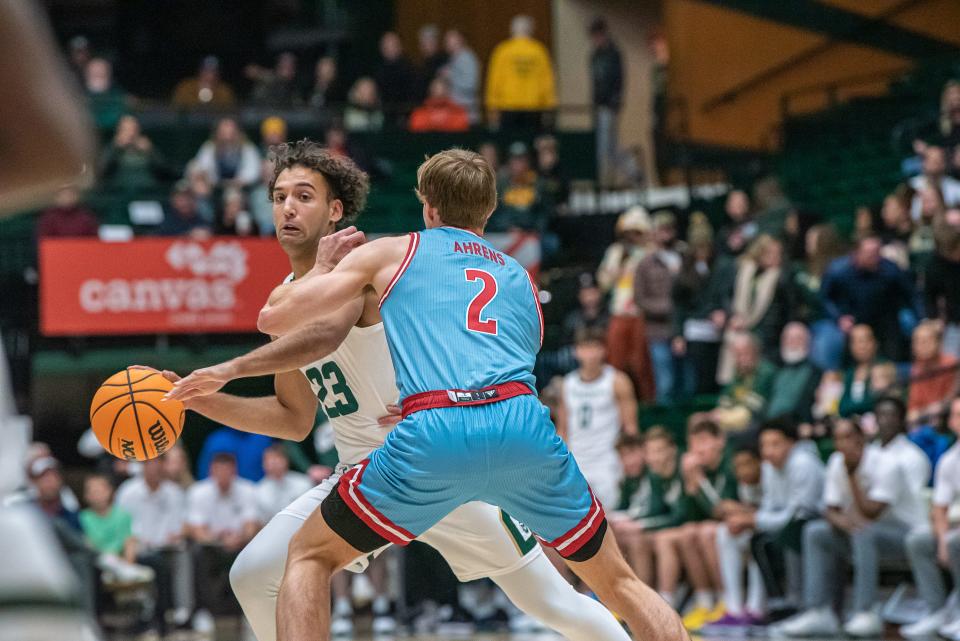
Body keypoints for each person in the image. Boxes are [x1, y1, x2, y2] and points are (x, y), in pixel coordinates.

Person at [164, 142, 639, 641]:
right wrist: (198, 400)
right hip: (365, 474)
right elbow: (293, 418)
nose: (287, 207)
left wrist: (229, 369)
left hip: (430, 454)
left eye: (303, 196)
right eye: (279, 196)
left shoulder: (365, 265)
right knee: (255, 573)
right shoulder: (290, 297)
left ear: (335, 211)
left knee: (551, 601)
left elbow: (324, 335)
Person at [779, 411, 930, 638]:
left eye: (847, 437)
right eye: (837, 438)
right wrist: (846, 524)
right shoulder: (835, 462)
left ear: (861, 439)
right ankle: (819, 611)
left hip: (906, 535)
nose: (841, 444)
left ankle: (865, 611)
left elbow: (872, 513)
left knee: (864, 532)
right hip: (862, 533)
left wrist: (851, 477)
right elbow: (830, 510)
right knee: (816, 532)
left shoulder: (887, 463)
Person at [728, 419, 824, 615]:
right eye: (764, 445)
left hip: (813, 521)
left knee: (789, 533)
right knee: (759, 540)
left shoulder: (803, 464)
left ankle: (797, 602)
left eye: (775, 444)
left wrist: (753, 520)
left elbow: (798, 514)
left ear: (791, 443)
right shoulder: (770, 468)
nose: (768, 451)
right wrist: (752, 520)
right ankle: (777, 603)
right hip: (787, 524)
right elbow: (769, 506)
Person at [556, 327, 638, 509]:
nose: (590, 354)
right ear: (576, 351)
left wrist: (628, 459)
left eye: (594, 347)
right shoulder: (567, 384)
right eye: (585, 348)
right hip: (577, 460)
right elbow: (563, 429)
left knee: (609, 517)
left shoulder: (617, 380)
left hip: (607, 460)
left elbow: (630, 427)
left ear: (603, 350)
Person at [608, 427, 689, 609]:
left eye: (658, 451)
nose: (654, 457)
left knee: (641, 539)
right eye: (652, 452)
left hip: (681, 527)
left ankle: (646, 602)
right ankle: (615, 597)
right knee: (609, 533)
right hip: (669, 527)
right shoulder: (633, 479)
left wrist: (639, 525)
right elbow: (630, 509)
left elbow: (675, 515)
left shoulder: (671, 472)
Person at [903, 396, 960, 639]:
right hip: (955, 527)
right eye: (956, 415)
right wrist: (942, 541)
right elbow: (939, 507)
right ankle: (936, 610)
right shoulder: (948, 460)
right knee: (919, 540)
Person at [116, 457, 191, 635]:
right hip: (137, 548)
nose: (153, 467)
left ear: (163, 465)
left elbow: (184, 525)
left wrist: (179, 533)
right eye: (148, 463)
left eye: (157, 463)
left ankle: (184, 613)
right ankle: (157, 615)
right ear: (142, 467)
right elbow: (120, 527)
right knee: (157, 562)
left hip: (167, 548)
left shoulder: (174, 492)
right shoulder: (128, 491)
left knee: (184, 555)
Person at [186, 452, 260, 627]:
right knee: (197, 554)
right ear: (212, 471)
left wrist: (239, 538)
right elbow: (196, 530)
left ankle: (249, 611)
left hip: (240, 544)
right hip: (213, 546)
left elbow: (251, 526)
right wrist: (217, 539)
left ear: (234, 471)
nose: (223, 475)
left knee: (257, 550)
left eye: (227, 471)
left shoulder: (248, 489)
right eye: (219, 471)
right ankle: (203, 610)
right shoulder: (199, 492)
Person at [677, 417, 737, 629]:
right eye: (693, 443)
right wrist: (690, 485)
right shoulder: (695, 470)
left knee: (707, 532)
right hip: (712, 527)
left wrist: (699, 481)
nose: (698, 449)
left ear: (719, 441)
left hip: (735, 526)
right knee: (688, 532)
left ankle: (727, 600)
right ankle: (705, 601)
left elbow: (720, 510)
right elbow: (688, 516)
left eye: (703, 441)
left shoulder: (730, 464)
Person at [821, 234, 917, 361]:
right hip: (853, 320)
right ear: (856, 254)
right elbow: (825, 298)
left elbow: (911, 294)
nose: (875, 258)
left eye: (877, 253)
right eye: (869, 254)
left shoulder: (890, 270)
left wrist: (923, 319)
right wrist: (839, 317)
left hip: (886, 319)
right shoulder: (838, 271)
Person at [597, 206, 656, 401]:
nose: (632, 237)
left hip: (641, 313)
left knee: (641, 363)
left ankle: (648, 402)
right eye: (628, 233)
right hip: (619, 312)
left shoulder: (651, 252)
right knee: (615, 361)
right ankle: (614, 402)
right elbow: (603, 282)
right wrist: (618, 267)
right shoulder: (615, 252)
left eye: (637, 232)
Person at [717, 234, 794, 383]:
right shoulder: (741, 270)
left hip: (766, 337)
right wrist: (732, 316)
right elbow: (725, 296)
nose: (776, 257)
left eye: (778, 253)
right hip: (737, 329)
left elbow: (782, 312)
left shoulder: (782, 278)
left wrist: (753, 329)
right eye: (771, 253)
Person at [707, 445, 765, 630]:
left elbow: (777, 511)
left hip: (779, 532)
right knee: (725, 532)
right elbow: (717, 509)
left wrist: (743, 513)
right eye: (738, 466)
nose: (743, 470)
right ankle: (734, 608)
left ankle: (756, 608)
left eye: (748, 464)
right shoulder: (744, 484)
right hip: (758, 525)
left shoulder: (769, 476)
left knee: (758, 542)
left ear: (759, 462)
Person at [634, 211, 682, 402]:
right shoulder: (646, 263)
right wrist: (666, 308)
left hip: (684, 327)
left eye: (669, 228)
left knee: (686, 380)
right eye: (661, 229)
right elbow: (639, 299)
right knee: (665, 381)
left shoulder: (683, 256)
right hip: (658, 329)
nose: (665, 234)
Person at [485, 15, 556, 132]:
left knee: (509, 144)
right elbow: (547, 81)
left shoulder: (502, 50)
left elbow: (494, 80)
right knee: (532, 143)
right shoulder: (539, 51)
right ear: (530, 30)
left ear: (512, 30)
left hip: (508, 106)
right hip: (534, 106)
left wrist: (492, 106)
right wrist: (549, 105)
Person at [710, 333, 777, 435]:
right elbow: (725, 399)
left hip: (756, 422)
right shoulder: (738, 373)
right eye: (737, 355)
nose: (741, 359)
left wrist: (723, 417)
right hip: (733, 418)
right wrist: (719, 413)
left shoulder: (766, 372)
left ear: (755, 352)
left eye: (745, 353)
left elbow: (753, 408)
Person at [99, 114, 176, 195]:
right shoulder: (113, 149)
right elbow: (102, 171)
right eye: (126, 129)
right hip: (119, 196)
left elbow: (166, 172)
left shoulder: (147, 148)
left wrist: (151, 151)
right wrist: (115, 148)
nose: (130, 133)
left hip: (147, 194)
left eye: (133, 129)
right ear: (119, 131)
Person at [587, 17, 623, 188]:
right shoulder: (595, 55)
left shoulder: (612, 54)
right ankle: (604, 182)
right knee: (605, 147)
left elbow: (618, 80)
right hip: (599, 105)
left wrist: (614, 102)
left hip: (609, 105)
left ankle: (606, 183)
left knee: (607, 147)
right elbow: (595, 82)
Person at [908, 320, 960, 426]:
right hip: (924, 420)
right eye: (918, 342)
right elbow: (913, 408)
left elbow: (950, 399)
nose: (922, 346)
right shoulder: (916, 369)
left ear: (938, 342)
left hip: (947, 418)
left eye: (926, 341)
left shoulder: (951, 364)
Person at [765, 323, 820, 422]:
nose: (792, 342)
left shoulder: (816, 372)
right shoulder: (772, 367)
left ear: (808, 342)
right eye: (788, 338)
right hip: (767, 422)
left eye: (798, 338)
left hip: (795, 423)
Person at [190, 117, 262, 189]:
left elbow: (253, 172)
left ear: (238, 133)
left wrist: (237, 182)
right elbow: (202, 167)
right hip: (213, 187)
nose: (227, 137)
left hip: (241, 188)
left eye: (231, 133)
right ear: (217, 133)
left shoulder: (247, 148)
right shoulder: (210, 147)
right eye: (223, 133)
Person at [925, 217, 960, 357]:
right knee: (950, 359)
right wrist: (934, 319)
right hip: (954, 321)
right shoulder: (934, 267)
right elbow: (929, 296)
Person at [255, 445, 312, 523]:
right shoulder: (258, 491)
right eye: (269, 459)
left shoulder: (304, 482)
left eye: (277, 457)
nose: (274, 462)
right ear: (263, 465)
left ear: (286, 460)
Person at [838, 324, 885, 417]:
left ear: (875, 343)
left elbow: (875, 403)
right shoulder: (850, 373)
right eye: (855, 342)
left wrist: (852, 409)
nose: (861, 346)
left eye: (865, 340)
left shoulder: (883, 368)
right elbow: (842, 407)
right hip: (852, 424)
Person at [375, 32, 417, 125]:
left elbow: (412, 96)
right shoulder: (378, 69)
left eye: (393, 44)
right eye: (386, 45)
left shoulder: (409, 69)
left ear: (400, 46)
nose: (389, 48)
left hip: (405, 118)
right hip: (383, 117)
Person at [910, 146, 960, 220]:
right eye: (931, 160)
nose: (934, 164)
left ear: (944, 163)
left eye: (937, 160)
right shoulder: (912, 185)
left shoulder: (956, 188)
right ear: (923, 163)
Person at [442, 30, 480, 123]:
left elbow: (470, 84)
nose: (447, 43)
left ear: (460, 40)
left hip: (466, 113)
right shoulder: (454, 58)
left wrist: (450, 76)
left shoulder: (467, 58)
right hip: (456, 112)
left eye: (450, 39)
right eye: (446, 40)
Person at [83, 57, 127, 130]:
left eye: (101, 72)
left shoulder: (118, 97)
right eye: (94, 72)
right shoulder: (77, 97)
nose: (98, 74)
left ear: (108, 74)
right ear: (86, 74)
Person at [416, 24, 448, 100]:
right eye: (424, 42)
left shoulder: (444, 60)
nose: (427, 45)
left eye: (430, 41)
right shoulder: (421, 64)